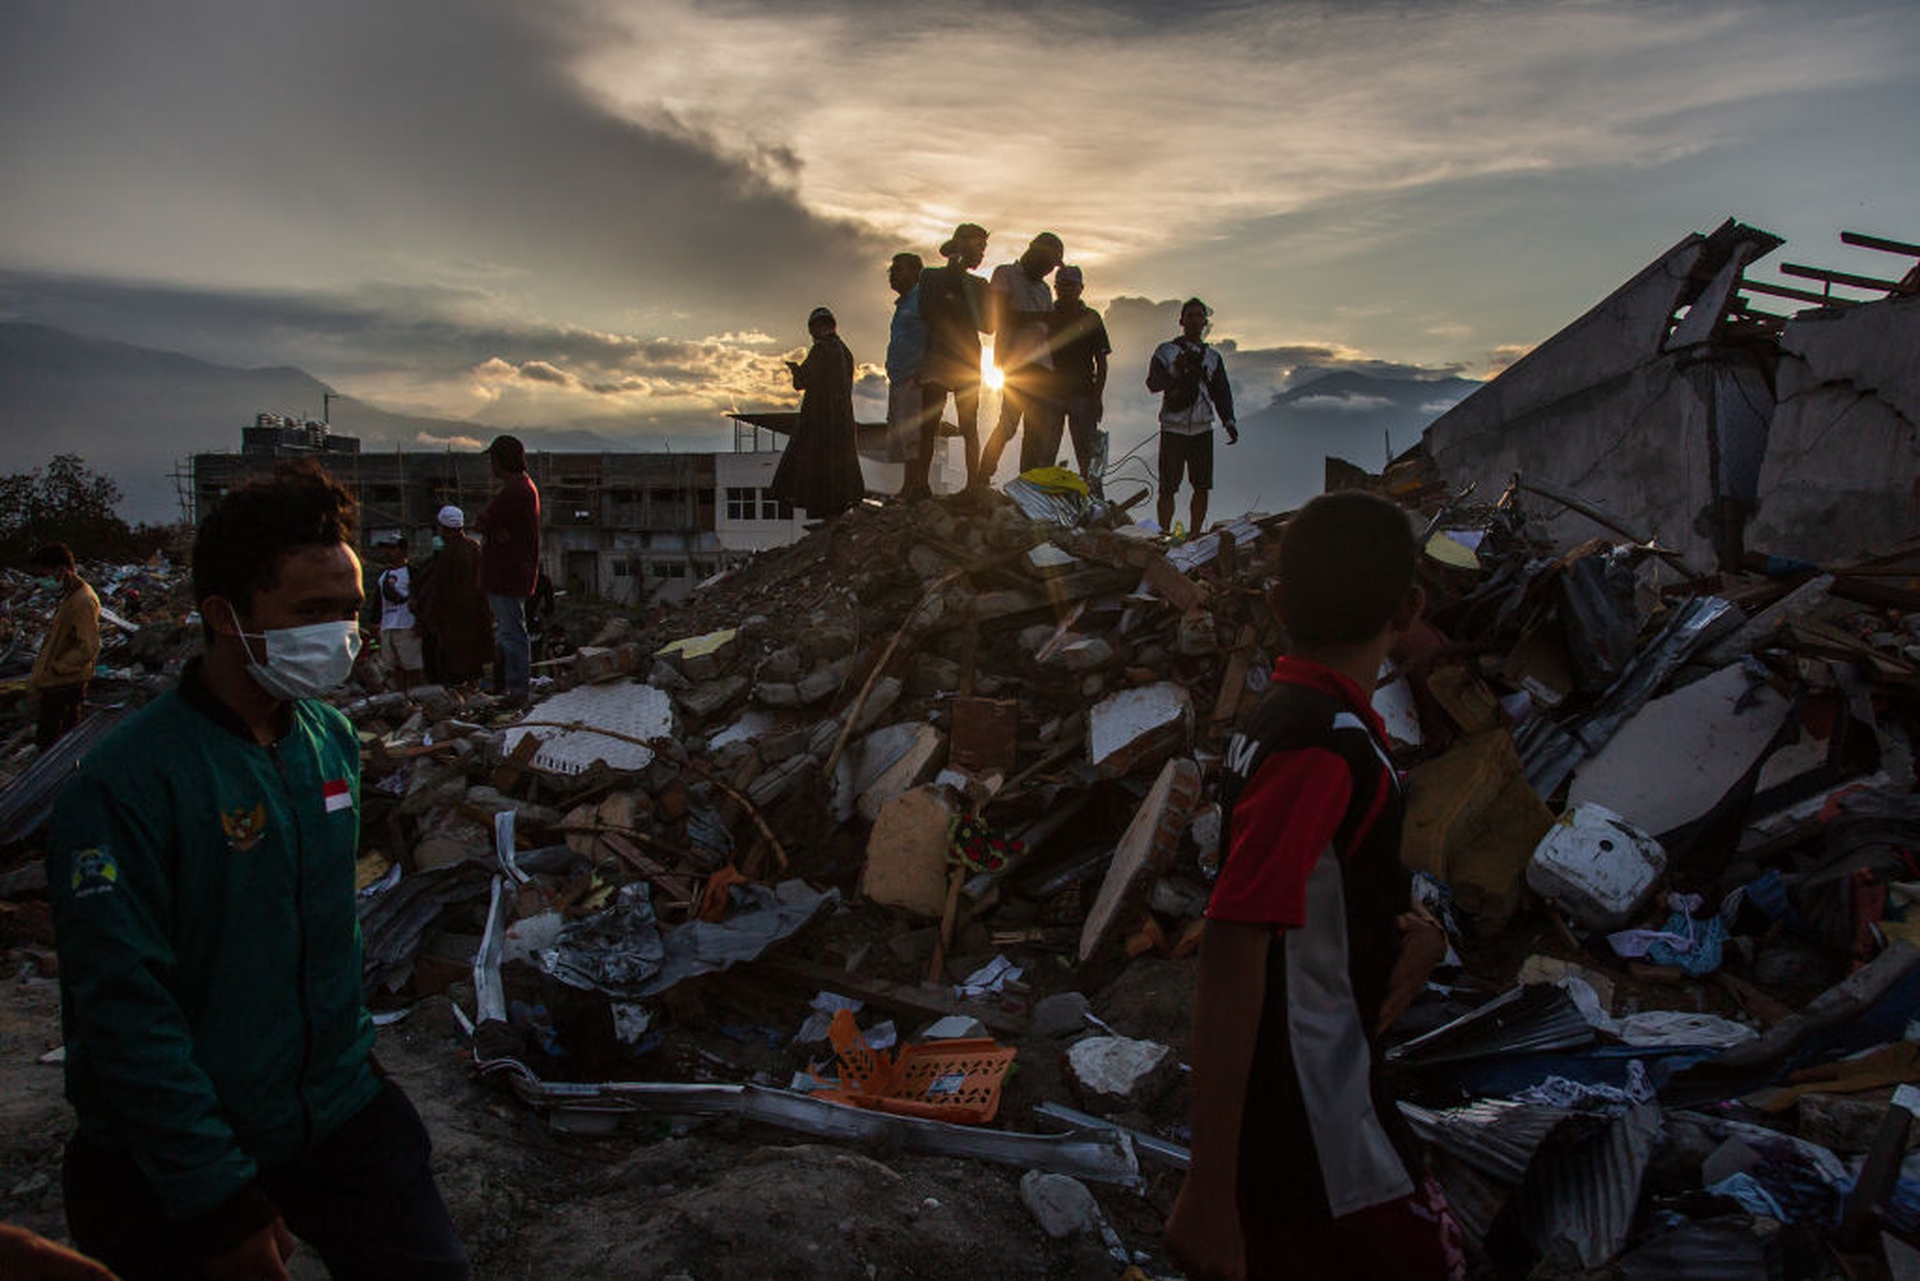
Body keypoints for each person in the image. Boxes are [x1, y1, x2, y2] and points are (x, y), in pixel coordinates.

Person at [46, 459, 468, 1281]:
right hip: (177, 1152)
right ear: (224, 615)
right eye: (310, 612)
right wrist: (213, 1195)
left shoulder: (327, 741)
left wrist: (350, 1065)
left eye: (349, 610)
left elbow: (326, 931)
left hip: (337, 1110)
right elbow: (123, 1006)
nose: (339, 634)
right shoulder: (129, 783)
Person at [1163, 491, 1461, 1281]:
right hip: (1321, 1129)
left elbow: (1328, 882)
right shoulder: (1323, 747)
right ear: (1410, 608)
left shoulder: (1295, 721)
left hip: (1317, 1105)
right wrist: (1207, 1187)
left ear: (1274, 602)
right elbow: (1234, 939)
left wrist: (1413, 930)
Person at [1146, 297, 1238, 537]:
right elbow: (1153, 383)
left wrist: (1229, 420)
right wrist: (1175, 370)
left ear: (1205, 322)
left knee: (1202, 486)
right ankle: (1165, 534)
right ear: (1182, 321)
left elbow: (1222, 392)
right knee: (1168, 487)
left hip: (1202, 429)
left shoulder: (1213, 357)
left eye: (1199, 316)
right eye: (1191, 316)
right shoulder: (1166, 352)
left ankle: (1195, 534)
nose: (1195, 321)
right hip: (1173, 428)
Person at [977, 232, 1064, 482]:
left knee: (1035, 430)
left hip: (1043, 366)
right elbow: (1002, 316)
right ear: (1036, 254)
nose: (1049, 270)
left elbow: (1048, 329)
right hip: (1016, 362)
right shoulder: (1005, 274)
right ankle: (984, 475)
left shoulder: (1044, 290)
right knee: (1009, 424)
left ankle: (1027, 483)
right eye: (1049, 264)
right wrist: (1041, 317)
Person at [913, 222, 992, 493]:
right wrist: (957, 294)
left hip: (966, 361)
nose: (982, 253)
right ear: (962, 245)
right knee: (929, 424)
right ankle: (921, 485)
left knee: (969, 425)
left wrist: (956, 295)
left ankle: (972, 487)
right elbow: (927, 311)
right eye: (979, 246)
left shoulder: (979, 284)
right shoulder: (930, 276)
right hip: (937, 358)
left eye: (984, 248)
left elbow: (988, 325)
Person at [769, 306, 865, 523]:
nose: (811, 335)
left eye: (812, 330)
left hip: (820, 420)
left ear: (819, 327)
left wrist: (795, 370)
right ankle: (835, 512)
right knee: (837, 467)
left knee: (818, 465)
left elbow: (802, 382)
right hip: (840, 419)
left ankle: (828, 514)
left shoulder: (822, 350)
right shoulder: (844, 351)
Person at [473, 434, 541, 708]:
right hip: (509, 573)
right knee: (509, 631)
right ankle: (511, 685)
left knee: (511, 633)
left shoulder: (516, 492)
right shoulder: (520, 488)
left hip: (507, 575)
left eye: (493, 459)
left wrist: (492, 528)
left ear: (502, 461)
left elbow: (484, 522)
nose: (491, 465)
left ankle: (517, 688)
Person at [1039, 264, 1112, 489]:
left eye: (1071, 286)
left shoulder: (1091, 318)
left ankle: (1093, 495)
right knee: (1047, 452)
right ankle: (1042, 497)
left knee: (1086, 453)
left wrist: (1097, 398)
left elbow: (1101, 362)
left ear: (1081, 288)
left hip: (1082, 394)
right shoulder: (1047, 316)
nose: (1066, 290)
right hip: (1051, 394)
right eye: (1062, 286)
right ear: (1056, 288)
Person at [26, 542, 100, 751]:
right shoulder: (70, 597)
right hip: (56, 684)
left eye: (44, 575)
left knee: (56, 748)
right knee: (51, 745)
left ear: (61, 570)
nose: (42, 581)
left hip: (65, 686)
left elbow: (88, 647)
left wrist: (57, 668)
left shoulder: (83, 601)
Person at [415, 505, 493, 686]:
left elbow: (439, 589)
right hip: (476, 617)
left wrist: (428, 616)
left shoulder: (448, 553)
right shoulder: (474, 548)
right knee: (473, 665)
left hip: (453, 621)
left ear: (443, 528)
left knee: (454, 669)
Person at [884, 252, 930, 495]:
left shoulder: (922, 300)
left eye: (898, 269)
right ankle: (908, 485)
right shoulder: (903, 304)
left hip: (914, 376)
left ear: (915, 272)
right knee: (903, 433)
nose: (892, 275)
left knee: (913, 435)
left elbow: (934, 333)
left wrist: (925, 368)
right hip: (899, 377)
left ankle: (914, 485)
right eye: (891, 270)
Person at [375, 536, 423, 692]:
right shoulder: (383, 576)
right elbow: (378, 602)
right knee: (394, 667)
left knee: (413, 666)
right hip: (387, 626)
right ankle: (401, 696)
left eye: (392, 548)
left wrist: (419, 622)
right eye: (386, 549)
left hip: (407, 625)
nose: (388, 552)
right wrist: (375, 624)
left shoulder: (414, 573)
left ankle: (416, 696)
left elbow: (422, 599)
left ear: (403, 551)